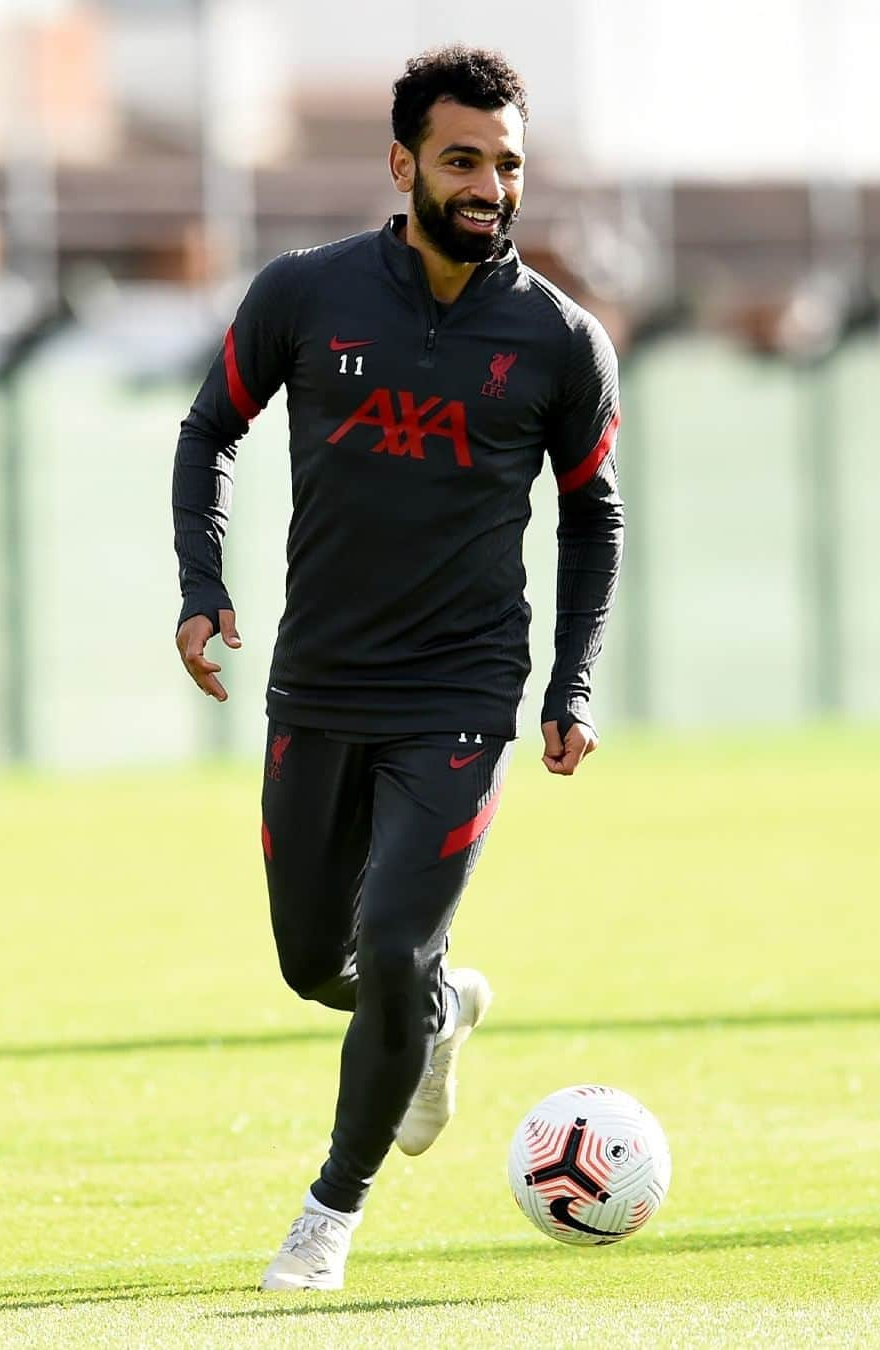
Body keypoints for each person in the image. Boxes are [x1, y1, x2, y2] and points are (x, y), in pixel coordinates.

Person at [172, 44, 623, 1291]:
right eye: (464, 160)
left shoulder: (559, 341)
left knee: (394, 930)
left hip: (460, 695)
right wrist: (203, 592)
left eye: (508, 165)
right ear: (404, 164)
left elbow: (596, 514)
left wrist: (569, 682)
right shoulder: (306, 296)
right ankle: (431, 1011)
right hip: (317, 685)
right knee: (320, 964)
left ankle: (330, 1214)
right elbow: (210, 430)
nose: (490, 186)